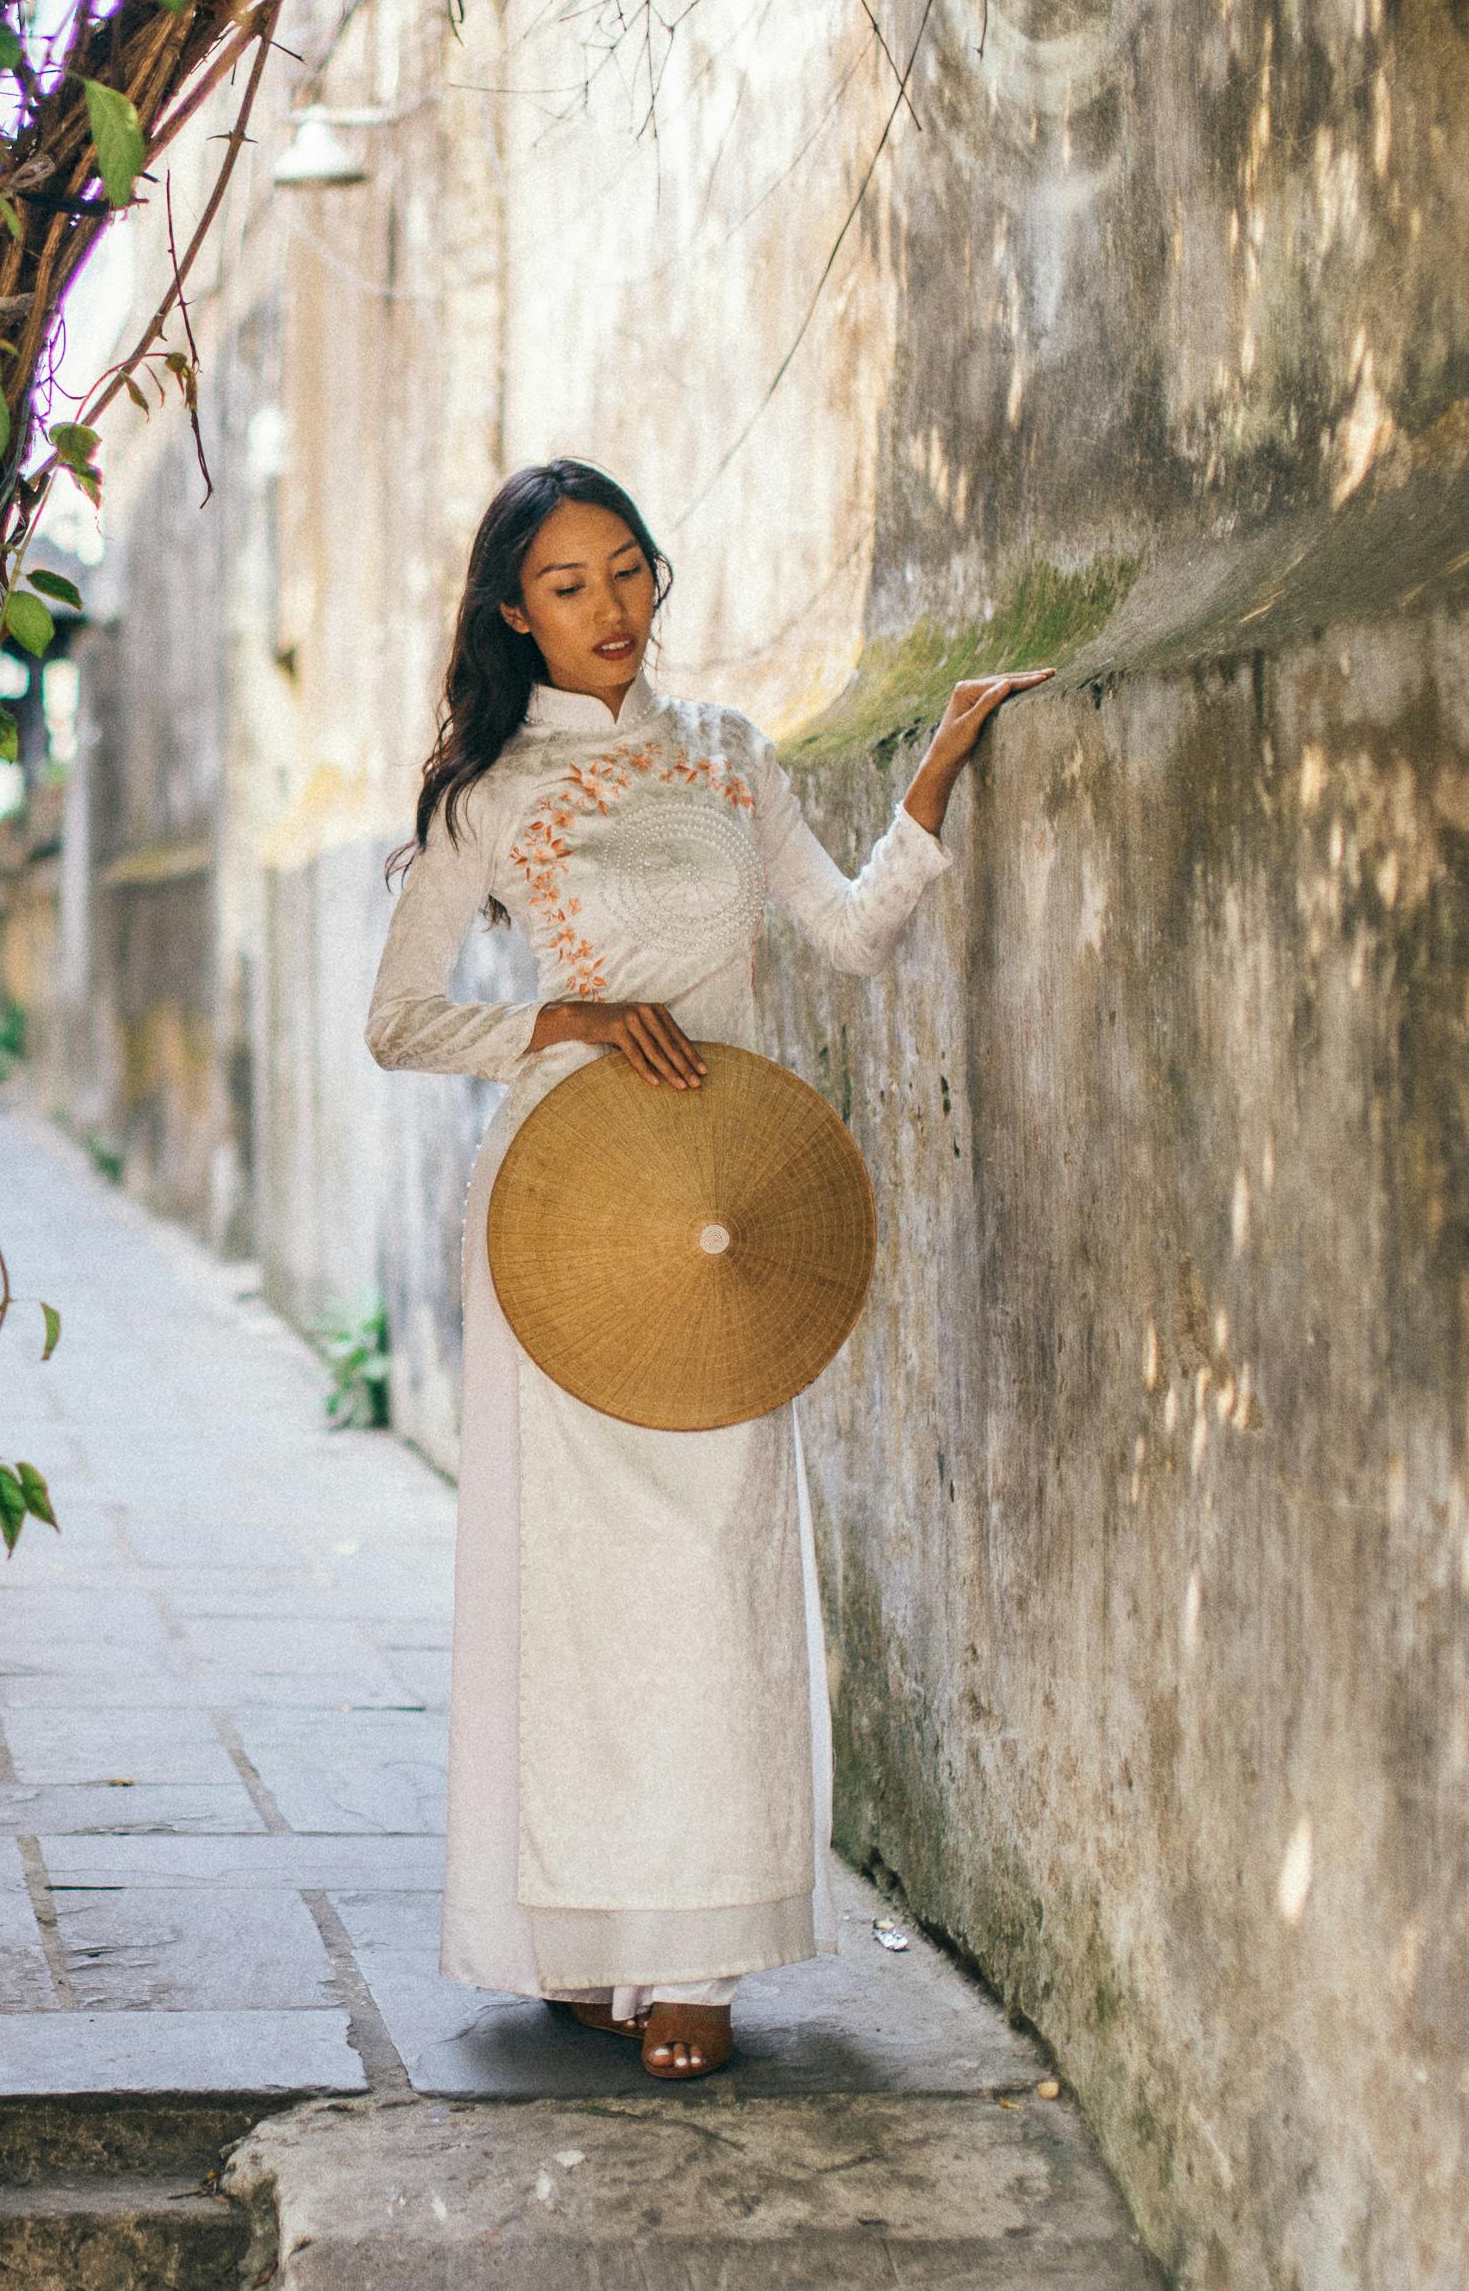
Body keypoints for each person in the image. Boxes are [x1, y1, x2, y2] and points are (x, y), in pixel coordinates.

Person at [362, 459, 1050, 2079]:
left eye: (626, 572)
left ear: (656, 577)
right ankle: (595, 1940)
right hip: (567, 1207)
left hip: (725, 1210)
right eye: (566, 586)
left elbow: (849, 933)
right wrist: (565, 1019)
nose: (608, 611)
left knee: (715, 1565)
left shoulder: (734, 757)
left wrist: (940, 761)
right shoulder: (491, 794)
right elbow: (398, 1021)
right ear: (513, 613)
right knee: (580, 1593)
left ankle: (702, 1956)